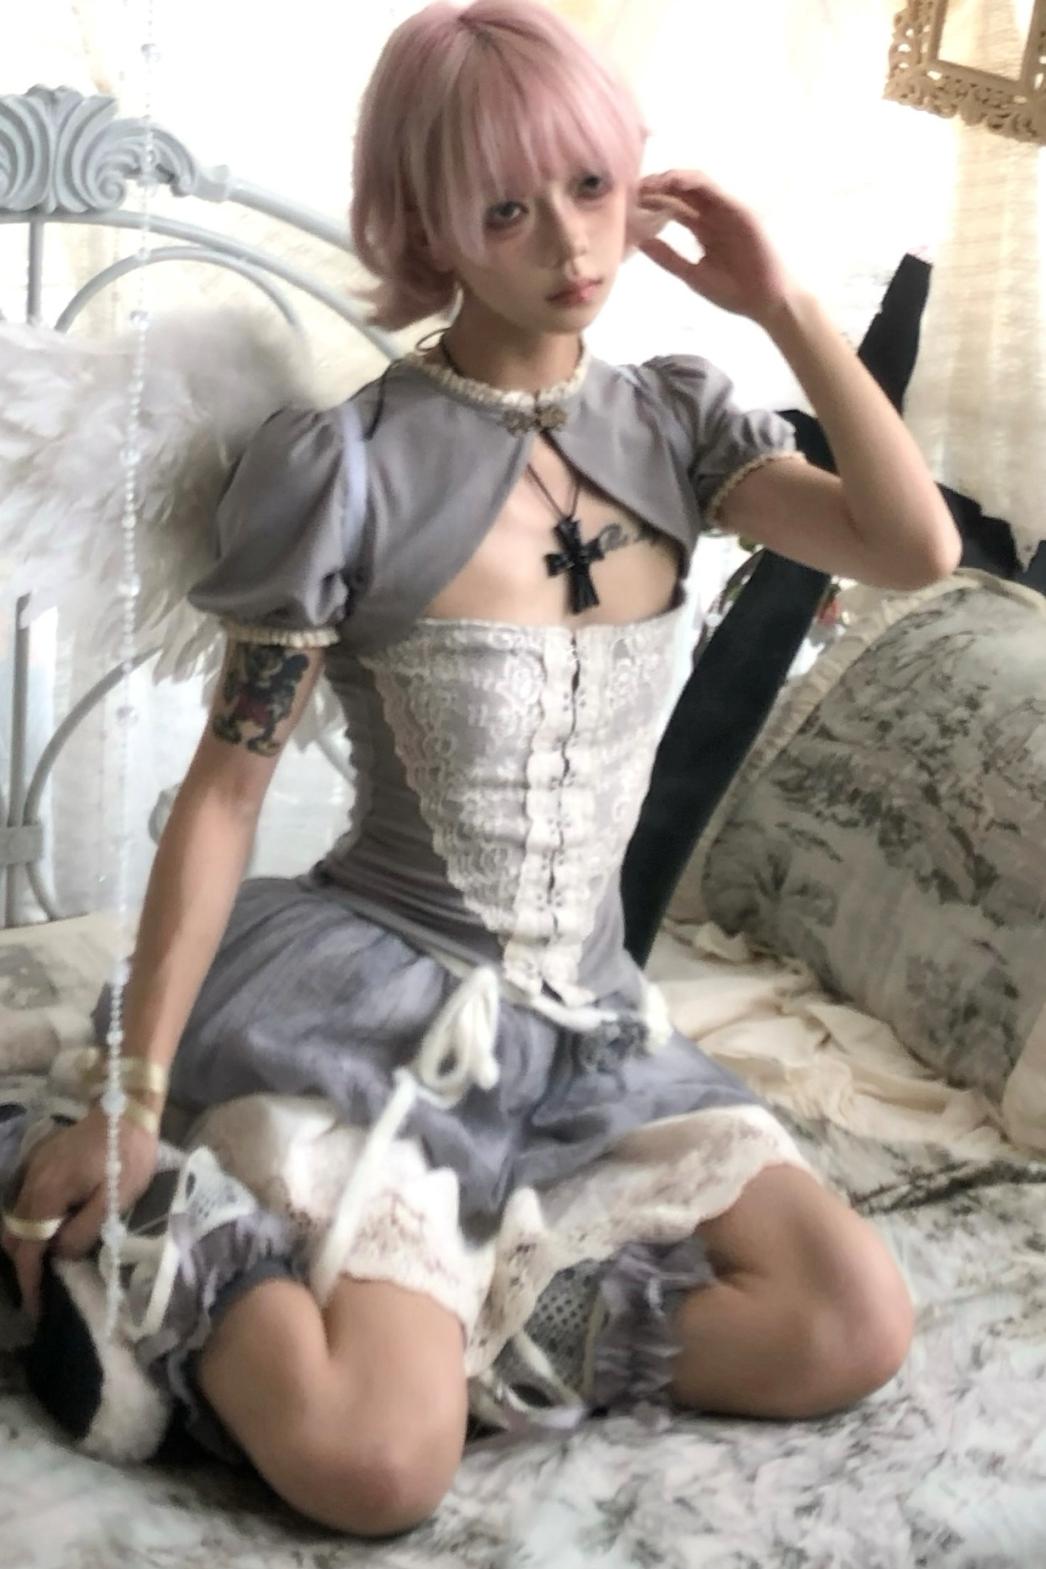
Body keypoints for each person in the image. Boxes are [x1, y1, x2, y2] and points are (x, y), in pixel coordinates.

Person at [1, 0, 959, 1539]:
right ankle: (160, 1231)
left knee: (847, 1322)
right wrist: (133, 1087)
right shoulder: (347, 469)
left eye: (589, 185)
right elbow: (225, 792)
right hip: (377, 1008)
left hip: (585, 1024)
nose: (568, 243)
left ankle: (486, 1315)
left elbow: (911, 548)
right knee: (378, 1470)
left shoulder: (676, 424)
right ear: (427, 227)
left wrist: (779, 301)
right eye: (505, 210)